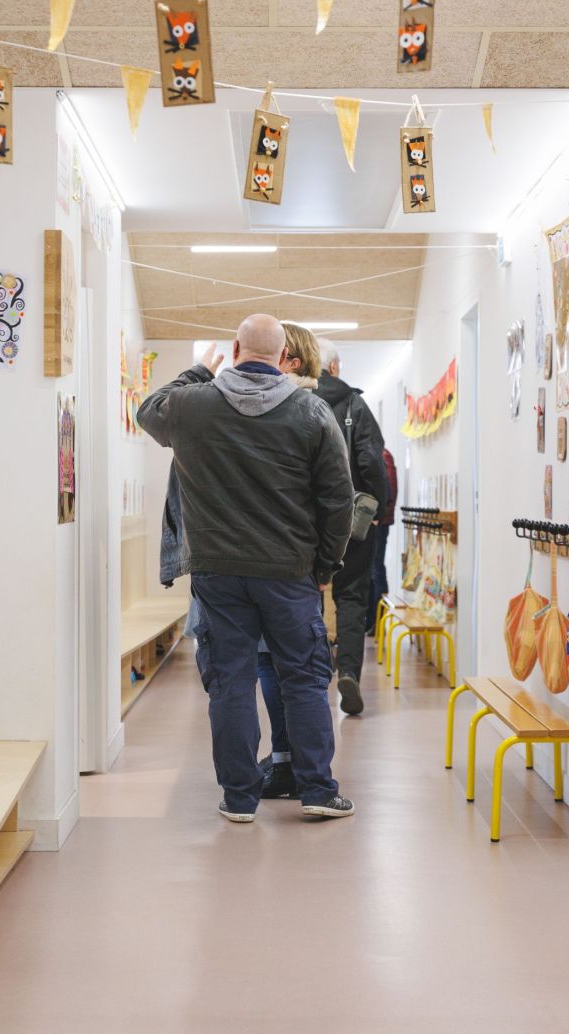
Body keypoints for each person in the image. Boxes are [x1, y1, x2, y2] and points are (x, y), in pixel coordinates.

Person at [138, 315, 355, 822]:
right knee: (303, 679)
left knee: (230, 681)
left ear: (235, 348)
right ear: (284, 357)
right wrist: (325, 563)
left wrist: (196, 372)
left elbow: (148, 410)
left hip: (217, 572)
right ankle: (318, 792)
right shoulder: (311, 410)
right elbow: (338, 499)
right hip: (289, 571)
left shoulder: (191, 406)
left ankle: (239, 798)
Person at [257, 322, 323, 801]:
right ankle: (294, 766)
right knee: (288, 671)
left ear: (290, 361)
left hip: (280, 564)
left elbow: (337, 495)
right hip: (296, 562)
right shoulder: (302, 406)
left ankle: (295, 768)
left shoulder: (298, 409)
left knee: (287, 672)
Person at [314, 339, 387, 717]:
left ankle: (312, 678)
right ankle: (349, 673)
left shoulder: (299, 402)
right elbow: (371, 460)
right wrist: (376, 507)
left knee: (307, 596)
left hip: (306, 524)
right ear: (336, 367)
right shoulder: (355, 406)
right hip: (352, 521)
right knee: (352, 597)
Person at [366, 448, 398, 632]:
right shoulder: (381, 455)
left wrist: (377, 516)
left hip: (378, 523)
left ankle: (378, 623)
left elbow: (387, 492)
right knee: (374, 570)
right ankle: (373, 621)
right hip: (379, 522)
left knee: (376, 570)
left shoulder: (382, 455)